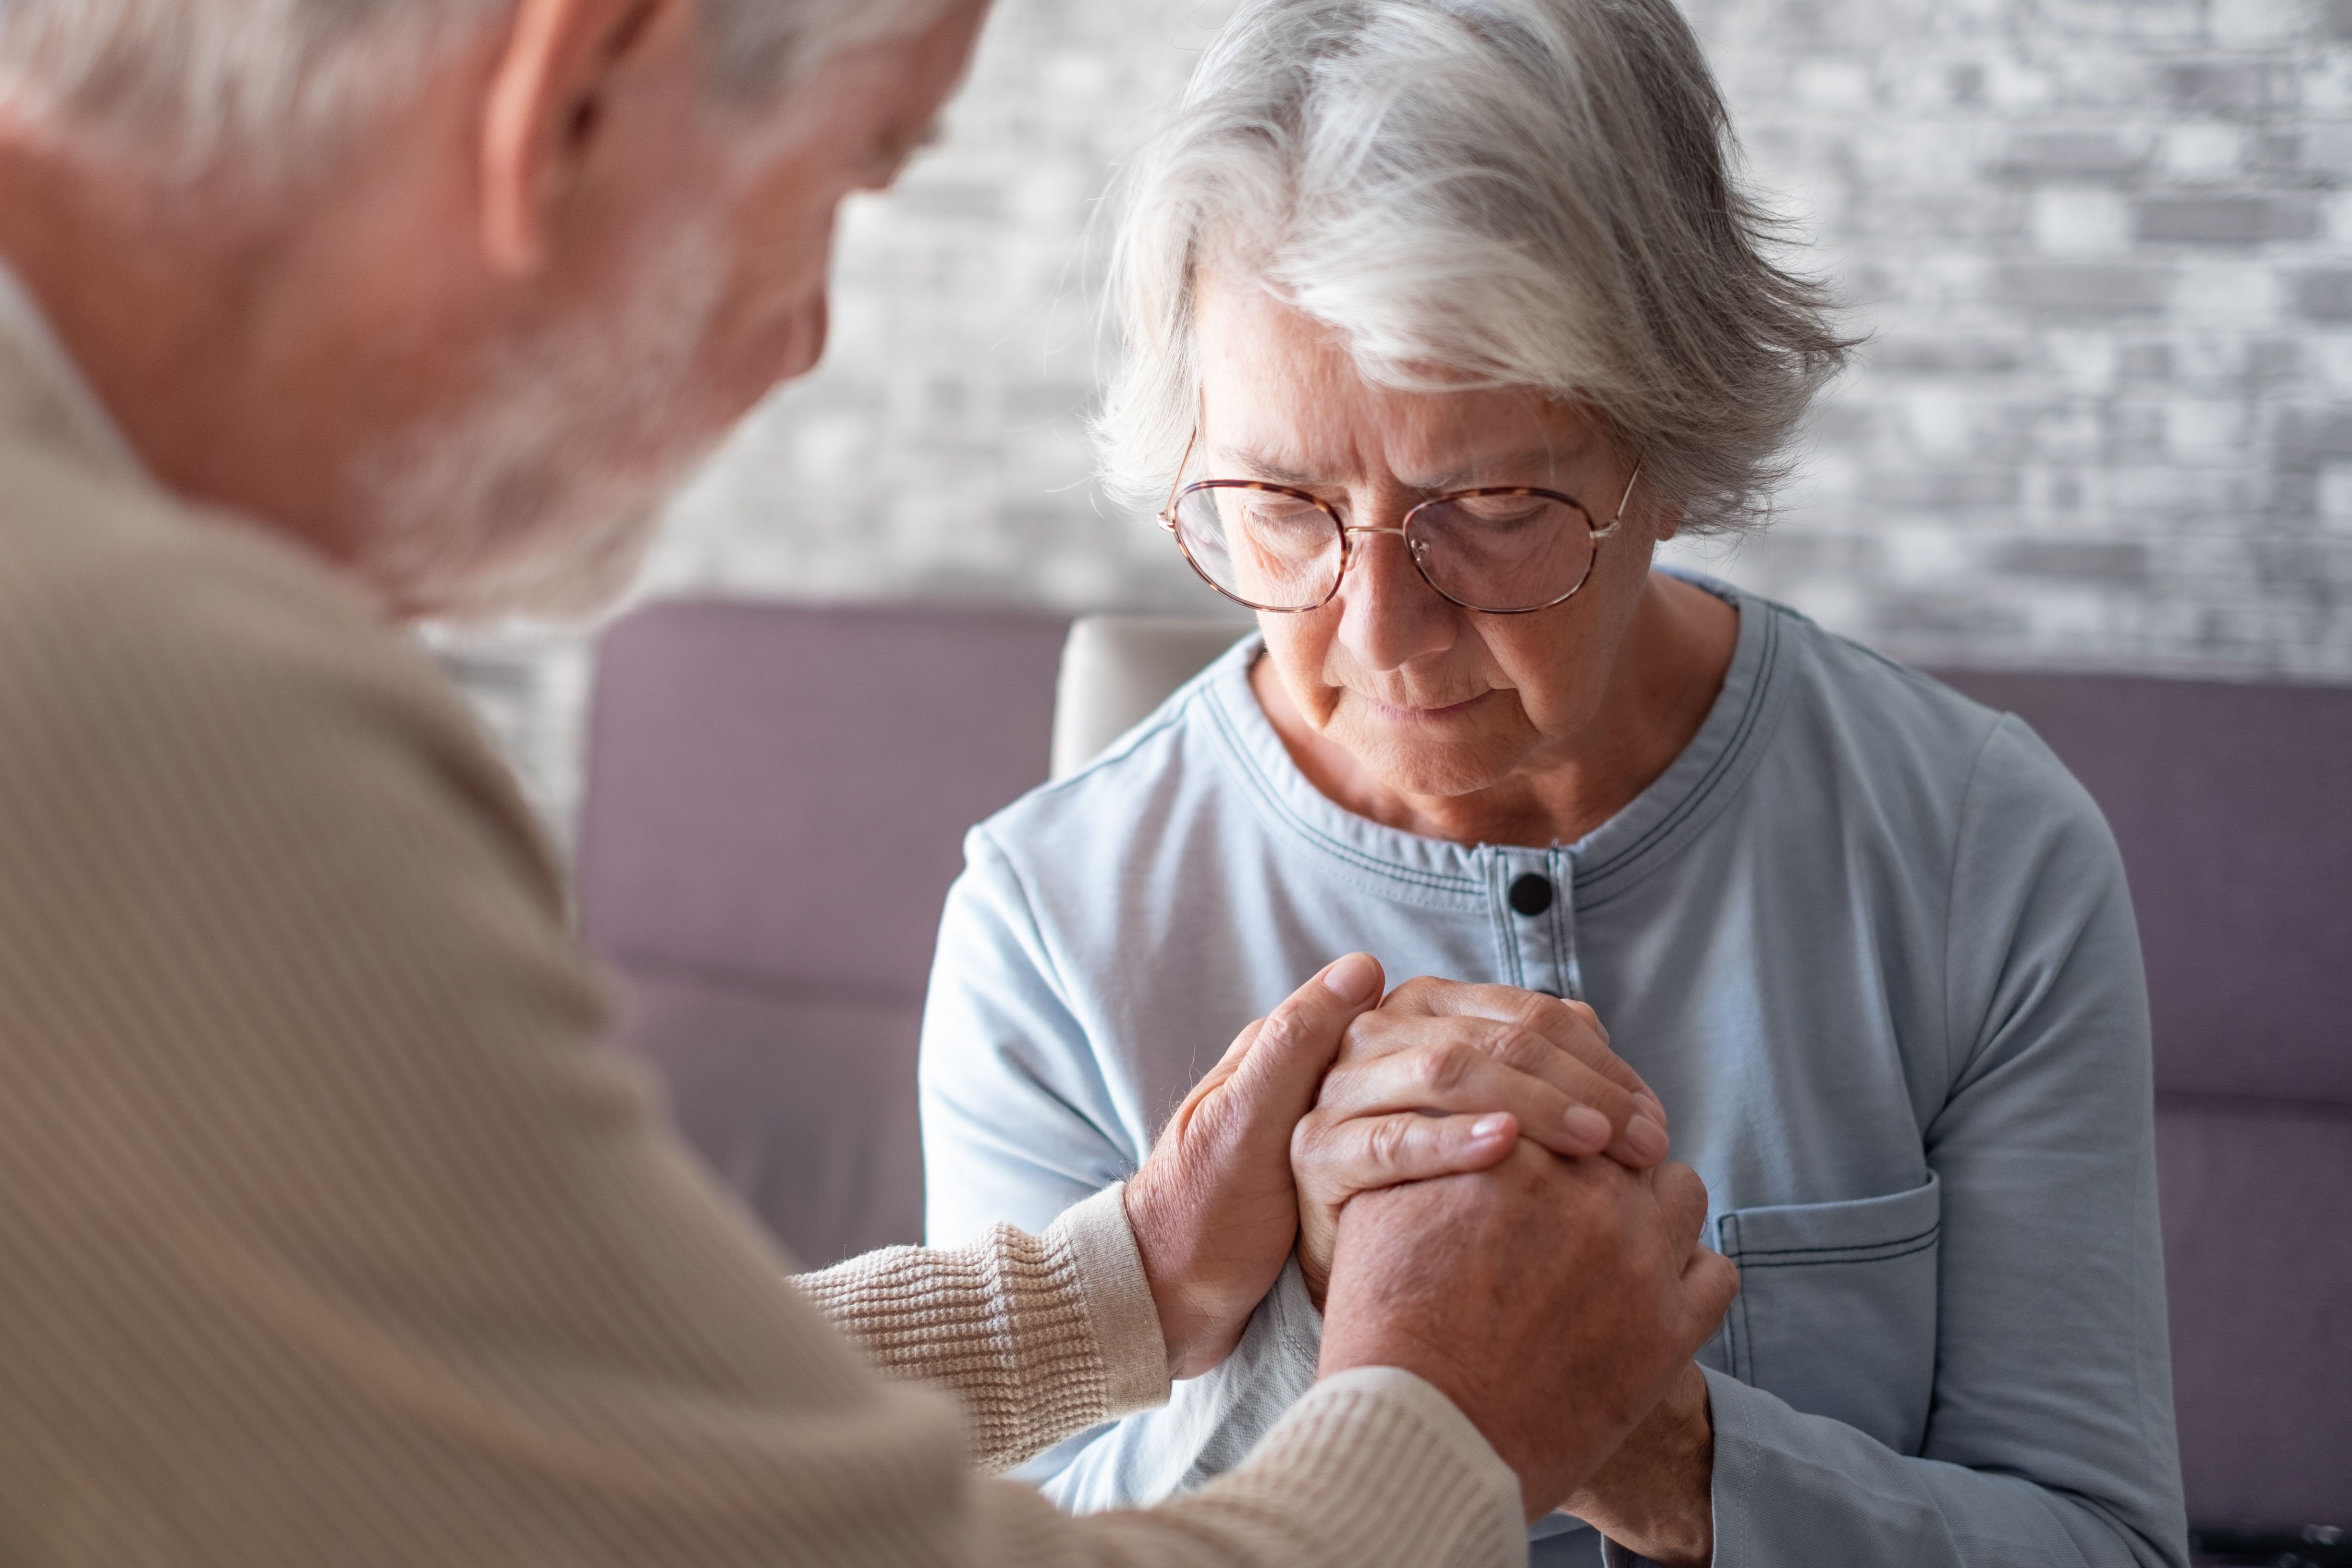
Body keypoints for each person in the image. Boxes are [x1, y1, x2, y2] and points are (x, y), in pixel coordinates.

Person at [0, 1, 1742, 1564]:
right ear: (581, 88)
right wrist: (1451, 1413)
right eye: (851, 178)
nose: (806, 340)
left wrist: (1117, 1282)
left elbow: (487, 1395)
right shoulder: (176, 714)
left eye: (1502, 504)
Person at [917, 1, 2191, 1564]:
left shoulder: (1978, 856)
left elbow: (2108, 1546)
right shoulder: (1049, 921)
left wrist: (1672, 1453)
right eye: (1276, 503)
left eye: (1493, 501)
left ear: (1669, 447)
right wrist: (1341, 1341)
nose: (1378, 632)